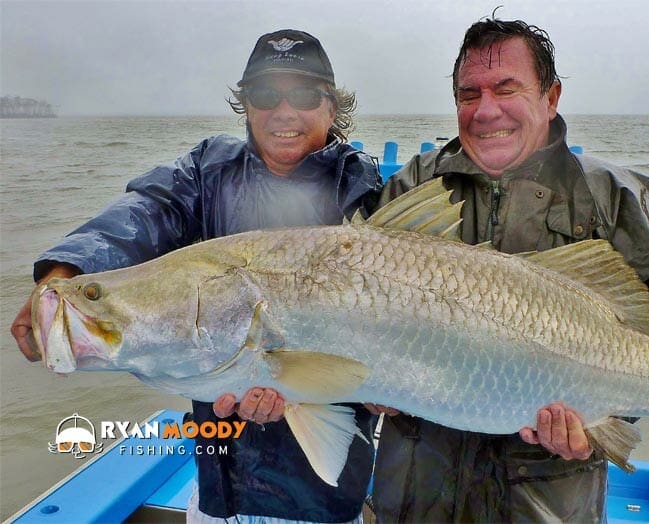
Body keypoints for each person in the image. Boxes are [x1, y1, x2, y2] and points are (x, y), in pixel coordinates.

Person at [10, 29, 382, 523]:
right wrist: (70, 271)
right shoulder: (207, 173)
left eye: (305, 94)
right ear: (245, 105)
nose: (284, 111)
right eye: (266, 94)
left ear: (332, 107)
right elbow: (145, 211)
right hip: (220, 488)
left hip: (325, 499)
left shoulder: (369, 192)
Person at [367, 17, 649, 522]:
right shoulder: (410, 189)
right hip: (418, 491)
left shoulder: (610, 198)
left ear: (550, 98)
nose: (486, 111)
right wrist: (368, 381)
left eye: (506, 88)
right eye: (469, 94)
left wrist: (601, 421)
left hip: (546, 500)